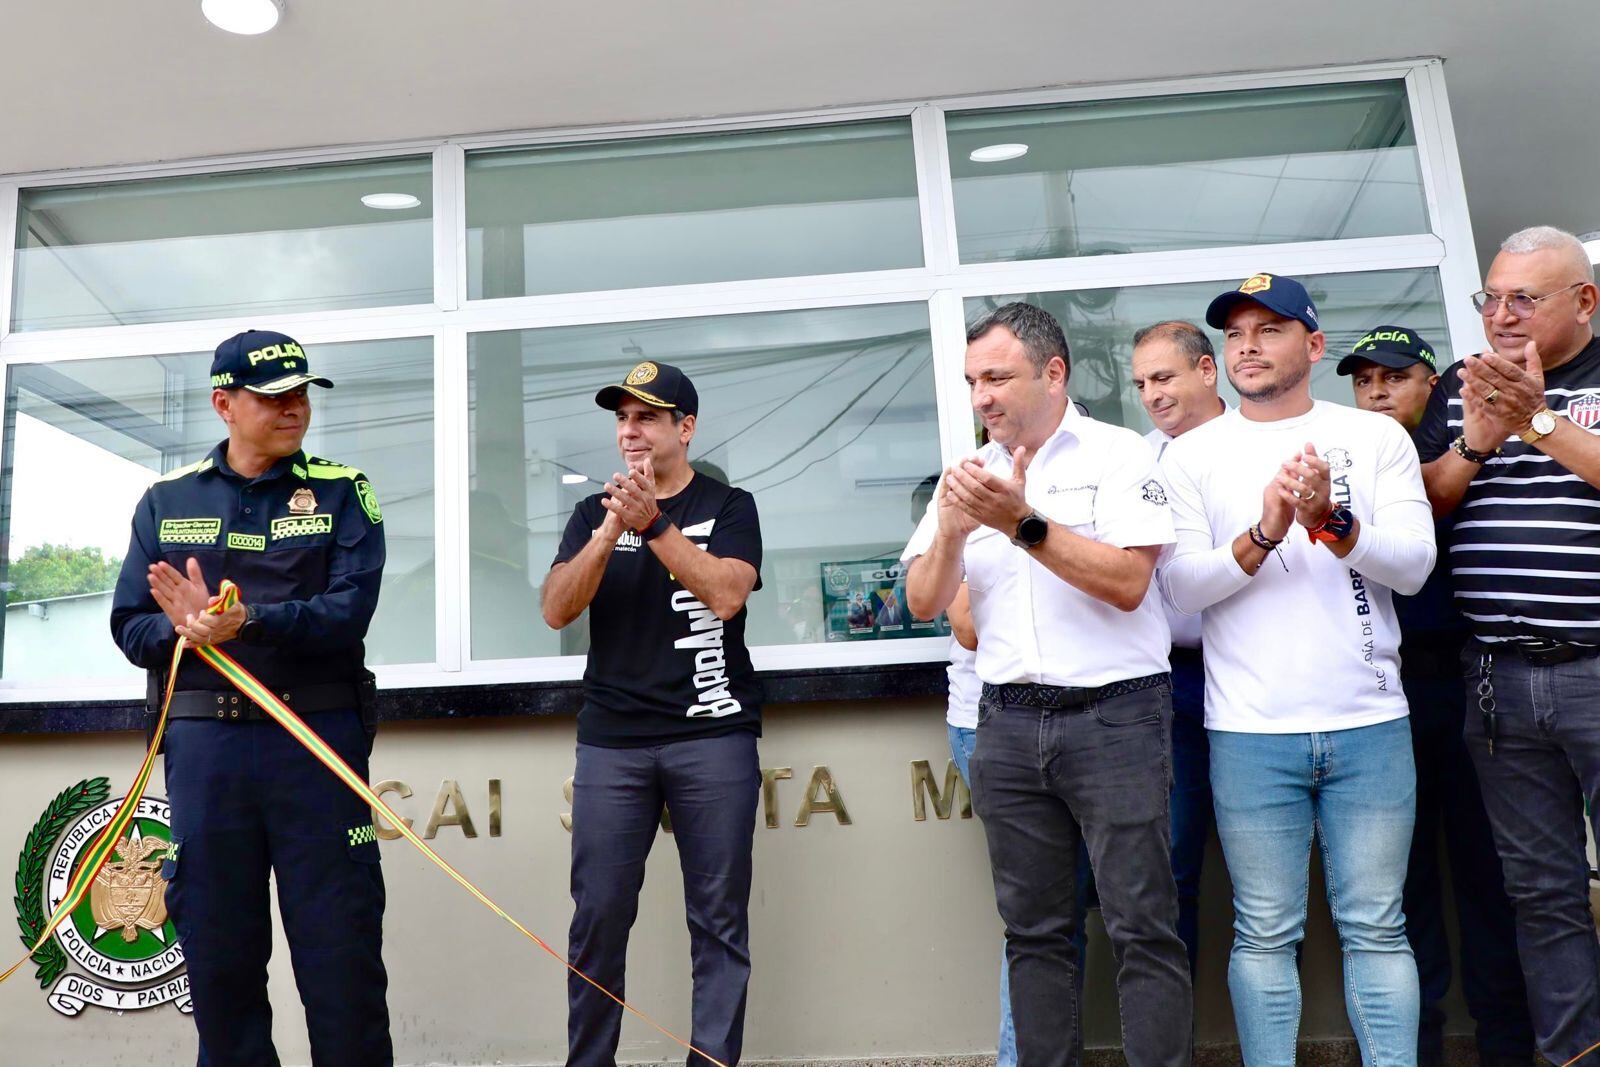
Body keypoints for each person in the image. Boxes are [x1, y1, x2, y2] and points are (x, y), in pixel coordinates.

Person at [903, 302, 1192, 1067]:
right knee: (1033, 933)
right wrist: (961, 529)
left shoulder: (1120, 455)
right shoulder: (970, 477)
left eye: (997, 376)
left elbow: (1130, 582)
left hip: (1115, 717)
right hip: (1006, 722)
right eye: (973, 381)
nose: (983, 396)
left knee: (1141, 924)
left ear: (1053, 372)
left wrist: (1022, 523)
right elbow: (927, 602)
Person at [1160, 273, 1434, 1066]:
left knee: (1378, 925)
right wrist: (1269, 529)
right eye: (1235, 331)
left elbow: (1414, 566)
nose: (1246, 343)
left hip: (1371, 720)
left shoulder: (1375, 437)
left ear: (1312, 346)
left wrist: (1332, 522)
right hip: (1249, 729)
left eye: (1268, 328)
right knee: (1264, 929)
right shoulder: (1192, 454)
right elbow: (1178, 591)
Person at [109, 329, 391, 1067]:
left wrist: (248, 621)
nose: (294, 407)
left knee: (342, 960)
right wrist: (185, 632)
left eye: (301, 393)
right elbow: (128, 625)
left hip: (316, 740)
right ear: (223, 403)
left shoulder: (343, 490)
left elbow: (348, 610)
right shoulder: (167, 501)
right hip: (209, 752)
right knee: (221, 963)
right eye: (273, 397)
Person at [541, 360, 763, 1067]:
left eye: (646, 416)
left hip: (713, 733)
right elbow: (555, 609)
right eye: (621, 418)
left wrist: (657, 525)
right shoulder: (588, 513)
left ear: (684, 427)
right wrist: (612, 528)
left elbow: (727, 595)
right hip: (614, 742)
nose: (629, 430)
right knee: (599, 918)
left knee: (719, 923)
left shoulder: (731, 507)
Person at [1413, 225, 1600, 1063]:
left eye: (1524, 296)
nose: (1501, 314)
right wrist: (1476, 437)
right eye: (1491, 296)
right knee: (1542, 895)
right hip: (1498, 678)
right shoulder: (1459, 386)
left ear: (1585, 301)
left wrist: (1538, 421)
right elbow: (1424, 507)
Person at [1339, 326, 1533, 1066]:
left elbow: (1442, 491)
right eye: (1362, 380)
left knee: (1489, 879)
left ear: (1434, 385)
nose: (1378, 390)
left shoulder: (1468, 447)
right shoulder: (1353, 463)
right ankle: (1409, 1050)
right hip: (1386, 692)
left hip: (1470, 683)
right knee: (1400, 887)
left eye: (1394, 376)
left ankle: (1508, 1048)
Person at [1129, 319, 1228, 974]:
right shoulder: (1139, 458)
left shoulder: (1254, 444)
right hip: (1171, 683)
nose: (1151, 394)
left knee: (1272, 885)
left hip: (1258, 670)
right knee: (1172, 873)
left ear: (1207, 371)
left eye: (1163, 377)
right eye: (1140, 383)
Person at [910, 473, 1018, 1067]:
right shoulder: (963, 489)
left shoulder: (1105, 468)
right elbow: (967, 625)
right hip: (988, 719)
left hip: (1096, 712)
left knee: (1094, 908)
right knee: (1036, 911)